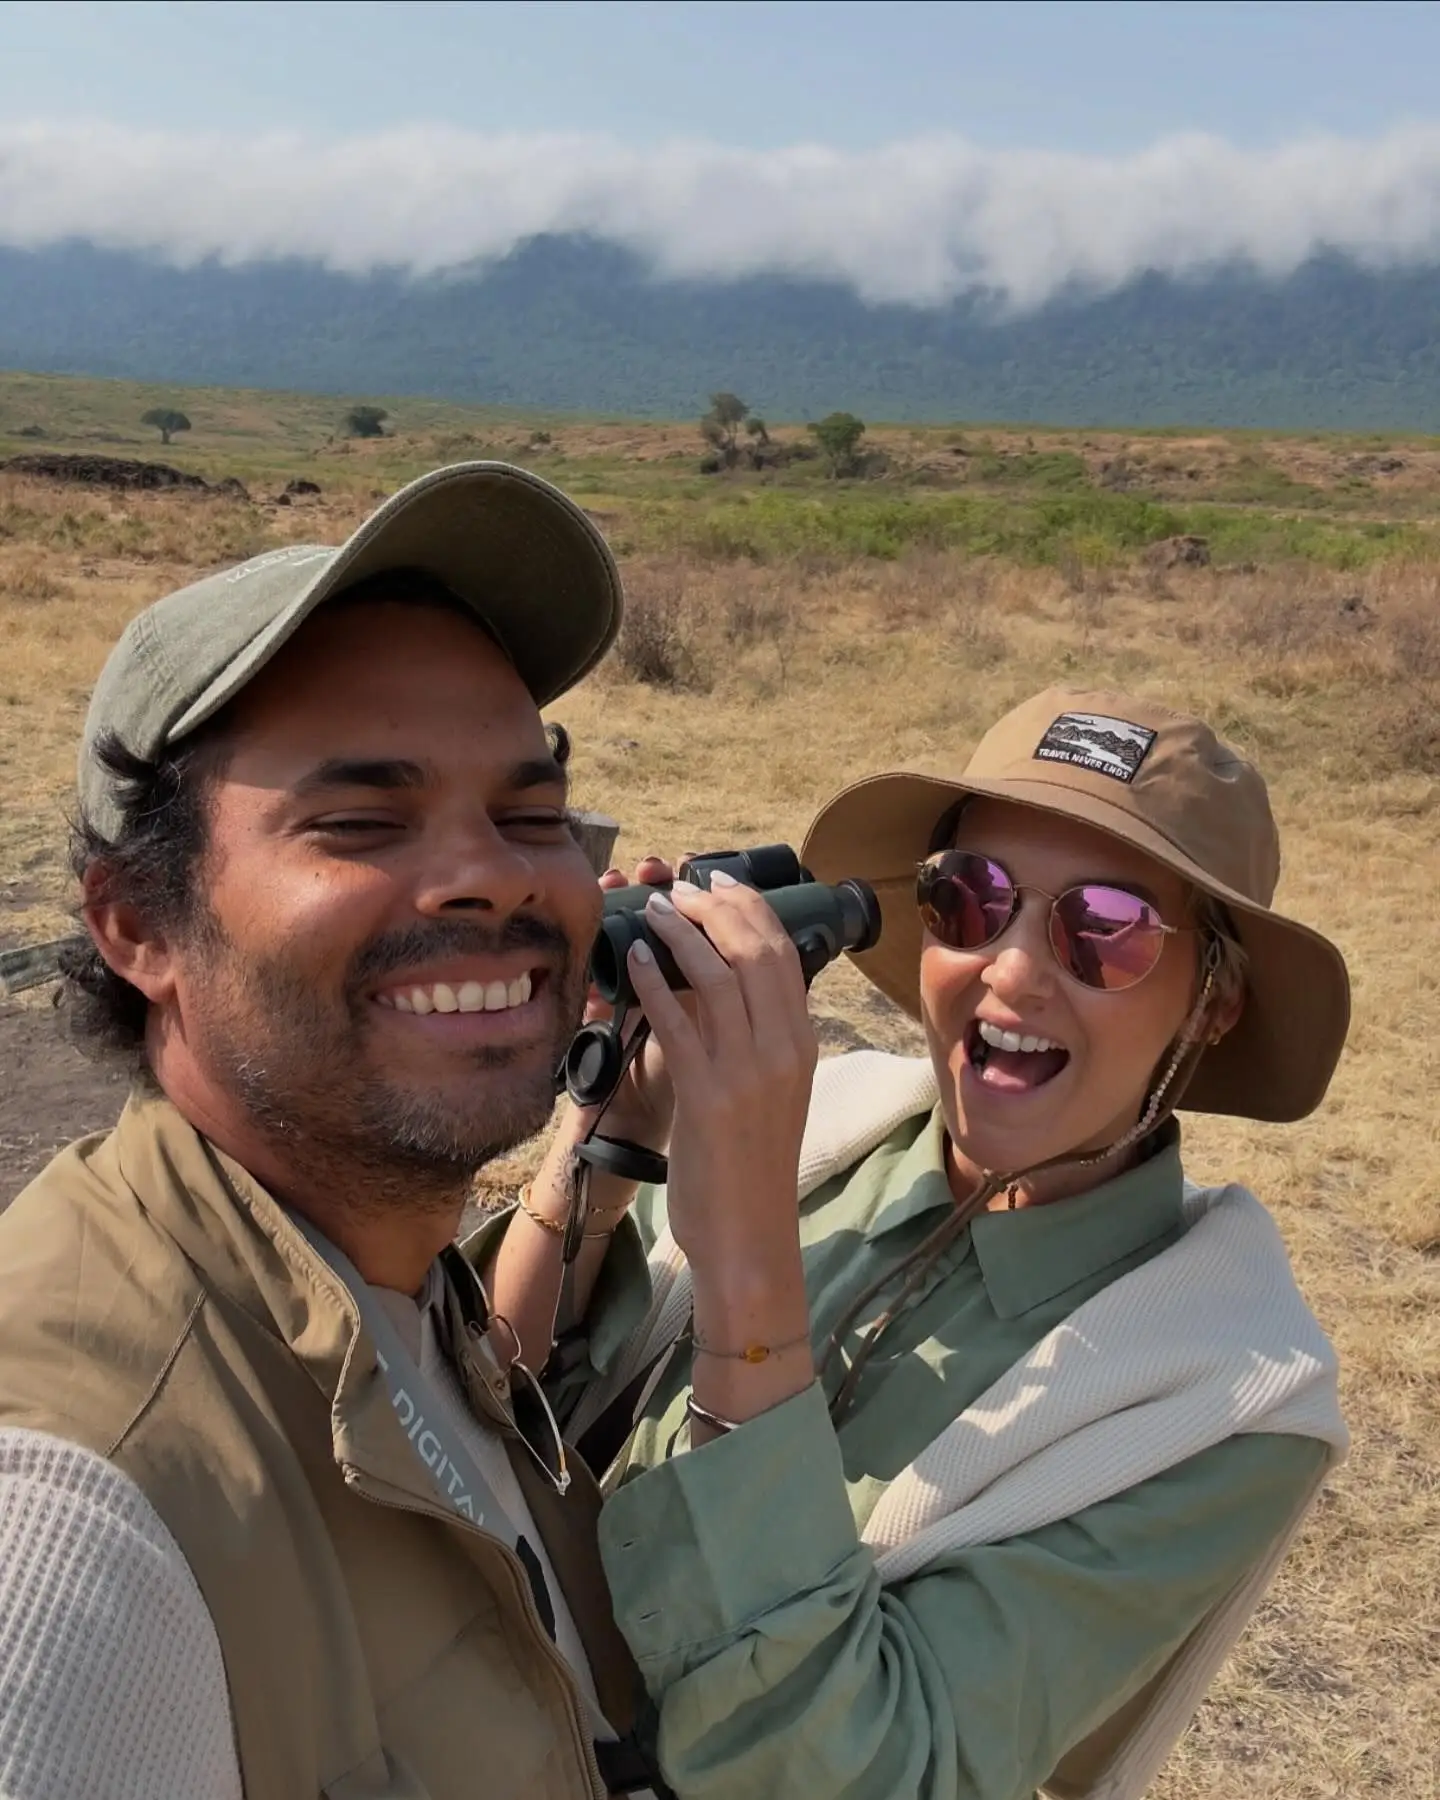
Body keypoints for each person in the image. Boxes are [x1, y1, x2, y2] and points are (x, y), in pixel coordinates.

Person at [484, 687, 1351, 1800]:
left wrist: (749, 1273)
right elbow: (501, 1395)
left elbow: (865, 1774)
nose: (1016, 971)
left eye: (1107, 930)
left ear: (1214, 1001)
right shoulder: (831, 1133)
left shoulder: (1221, 1397)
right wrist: (613, 1133)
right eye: (972, 900)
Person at [0, 462, 664, 1800]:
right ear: (136, 920)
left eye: (530, 816)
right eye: (362, 821)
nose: (489, 873)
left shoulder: (397, 1287)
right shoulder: (62, 1521)